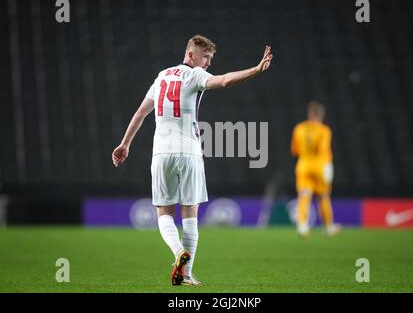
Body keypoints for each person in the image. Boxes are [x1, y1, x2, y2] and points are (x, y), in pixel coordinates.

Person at [112, 35, 273, 286]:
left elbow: (141, 112)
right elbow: (225, 81)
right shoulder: (195, 75)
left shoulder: (162, 76)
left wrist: (125, 143)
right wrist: (256, 69)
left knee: (164, 213)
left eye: (210, 58)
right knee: (190, 216)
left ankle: (178, 254)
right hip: (189, 153)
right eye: (205, 57)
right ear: (191, 55)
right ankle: (186, 272)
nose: (208, 63)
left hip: (162, 153)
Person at [290, 101, 341, 237]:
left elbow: (294, 150)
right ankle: (328, 227)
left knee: (304, 196)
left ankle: (302, 226)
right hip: (319, 166)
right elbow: (324, 149)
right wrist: (329, 166)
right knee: (323, 197)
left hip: (303, 165)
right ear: (321, 115)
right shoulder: (324, 130)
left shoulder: (299, 128)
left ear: (310, 114)